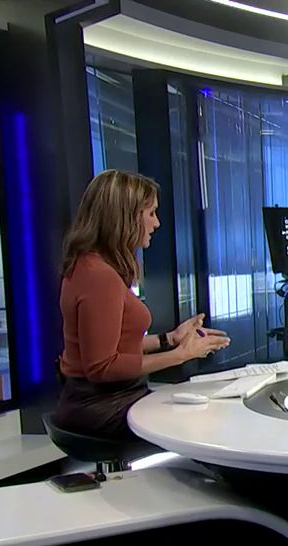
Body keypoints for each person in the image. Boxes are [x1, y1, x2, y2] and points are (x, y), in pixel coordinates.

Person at [56, 169, 230, 440]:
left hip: (106, 399)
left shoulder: (91, 267)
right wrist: (181, 354)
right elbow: (102, 367)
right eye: (151, 213)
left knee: (209, 411)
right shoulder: (99, 276)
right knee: (209, 425)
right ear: (125, 218)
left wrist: (170, 338)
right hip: (102, 408)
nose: (157, 223)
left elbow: (112, 347)